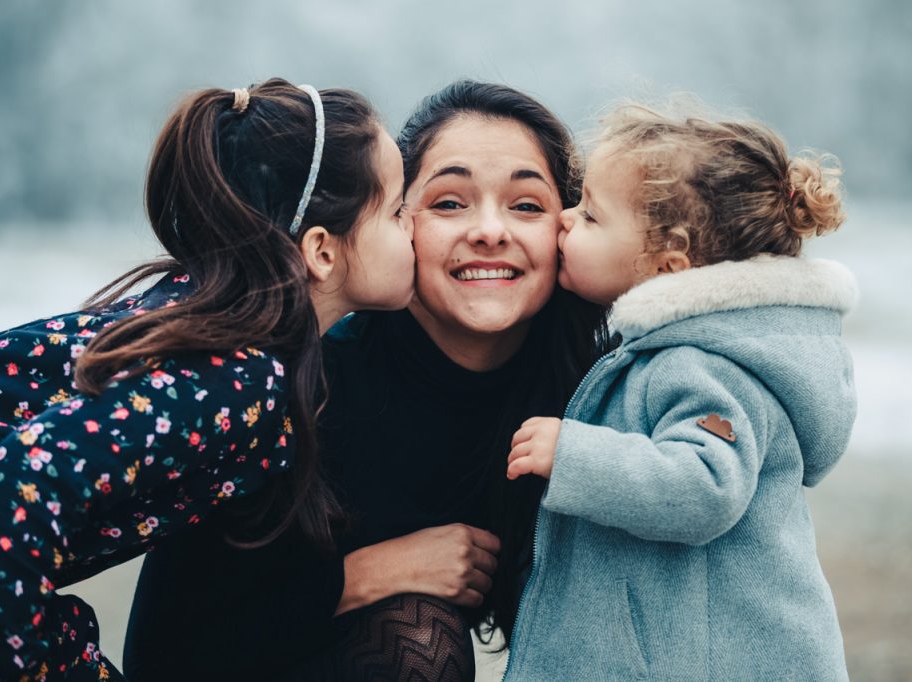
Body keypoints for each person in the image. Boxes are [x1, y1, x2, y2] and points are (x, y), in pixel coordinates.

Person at [123, 80, 610, 681]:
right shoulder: (292, 394)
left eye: (527, 205)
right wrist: (366, 575)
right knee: (417, 636)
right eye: (450, 203)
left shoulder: (604, 391)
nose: (490, 230)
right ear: (394, 222)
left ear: (570, 229)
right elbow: (163, 653)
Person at [0, 78, 415, 680]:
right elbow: (24, 481)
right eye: (398, 209)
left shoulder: (199, 314)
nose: (414, 228)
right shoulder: (237, 373)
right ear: (322, 251)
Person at [502, 102, 857, 680]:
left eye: (591, 217)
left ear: (666, 266)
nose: (565, 220)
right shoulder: (693, 348)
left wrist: (575, 455)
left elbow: (706, 486)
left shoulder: (705, 366)